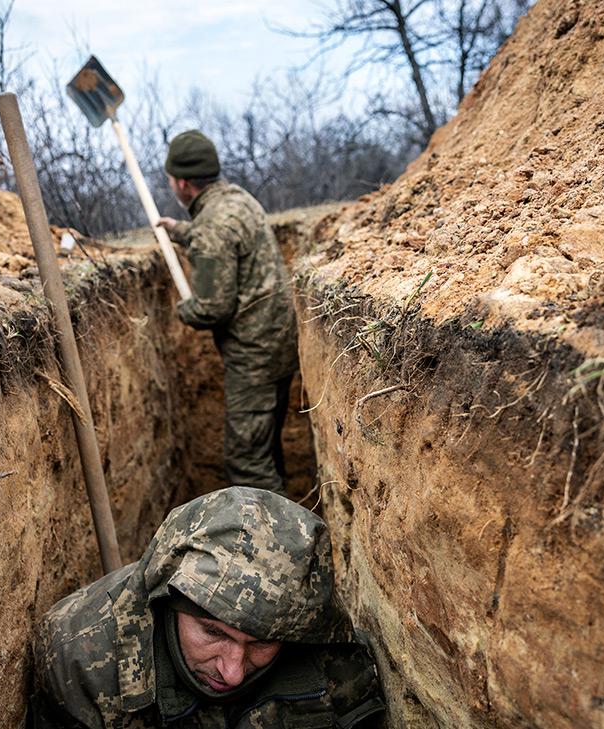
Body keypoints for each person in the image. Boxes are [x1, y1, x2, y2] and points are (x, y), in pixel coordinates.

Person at [31, 487, 385, 729]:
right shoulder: (80, 661)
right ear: (167, 601)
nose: (232, 672)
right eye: (213, 632)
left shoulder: (337, 663)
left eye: (261, 643)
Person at [156, 132, 298, 493]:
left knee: (248, 463)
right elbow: (224, 239)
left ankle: (276, 544)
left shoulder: (213, 226)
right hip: (279, 342)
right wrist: (182, 232)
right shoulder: (238, 200)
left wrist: (183, 310)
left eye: (172, 180)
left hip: (254, 358)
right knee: (265, 444)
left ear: (183, 183)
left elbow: (212, 309)